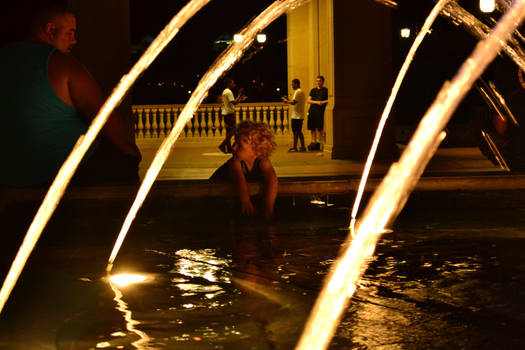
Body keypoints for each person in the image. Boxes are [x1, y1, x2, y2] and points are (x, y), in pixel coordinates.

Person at [0, 2, 141, 187]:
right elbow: (103, 116)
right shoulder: (62, 64)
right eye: (70, 32)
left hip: (11, 173)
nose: (74, 40)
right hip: (67, 169)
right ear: (51, 29)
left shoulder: (5, 56)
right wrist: (130, 153)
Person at [210, 121, 278, 221]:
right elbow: (239, 181)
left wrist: (268, 206)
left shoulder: (262, 160)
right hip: (214, 191)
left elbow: (272, 180)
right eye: (235, 142)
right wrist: (246, 202)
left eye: (240, 146)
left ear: (257, 151)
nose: (233, 148)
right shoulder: (235, 162)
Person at [218, 77, 247, 153]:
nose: (234, 84)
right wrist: (240, 94)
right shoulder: (228, 92)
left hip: (226, 112)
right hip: (229, 113)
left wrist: (240, 99)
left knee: (229, 131)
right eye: (233, 83)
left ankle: (229, 147)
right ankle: (223, 145)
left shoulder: (225, 91)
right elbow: (234, 103)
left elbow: (233, 102)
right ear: (229, 84)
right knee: (233, 130)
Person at [282, 78, 306, 152]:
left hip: (296, 115)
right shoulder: (301, 92)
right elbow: (295, 101)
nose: (291, 86)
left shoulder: (297, 92)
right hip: (299, 115)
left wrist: (286, 101)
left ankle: (295, 147)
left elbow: (294, 102)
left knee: (295, 132)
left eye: (292, 84)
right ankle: (303, 146)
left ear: (297, 84)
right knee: (299, 131)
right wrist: (289, 100)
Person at [306, 75, 329, 151]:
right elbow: (308, 100)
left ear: (322, 82)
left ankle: (320, 143)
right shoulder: (313, 90)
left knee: (320, 127)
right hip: (312, 110)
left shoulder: (325, 90)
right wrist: (317, 102)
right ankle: (313, 142)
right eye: (317, 81)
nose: (318, 82)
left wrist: (322, 102)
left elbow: (329, 100)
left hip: (320, 111)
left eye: (319, 81)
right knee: (312, 127)